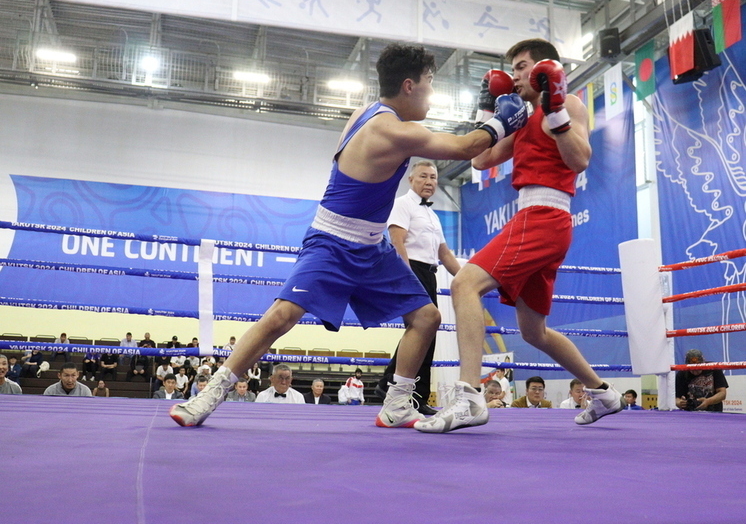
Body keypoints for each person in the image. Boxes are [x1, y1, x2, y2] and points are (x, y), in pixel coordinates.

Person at [170, 42, 501, 428]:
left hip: (372, 247)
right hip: (333, 240)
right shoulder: (391, 129)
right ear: (409, 86)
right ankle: (208, 394)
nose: (432, 92)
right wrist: (501, 115)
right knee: (282, 315)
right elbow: (467, 147)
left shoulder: (367, 113)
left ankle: (396, 404)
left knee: (426, 316)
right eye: (429, 82)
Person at [416, 38, 624, 433]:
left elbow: (580, 158)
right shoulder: (523, 117)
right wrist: (488, 109)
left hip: (544, 215)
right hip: (537, 216)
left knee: (464, 284)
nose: (514, 75)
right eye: (512, 68)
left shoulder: (567, 106)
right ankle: (603, 392)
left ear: (547, 68)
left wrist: (558, 110)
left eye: (523, 66)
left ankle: (470, 398)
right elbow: (480, 159)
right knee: (534, 331)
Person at [374, 160, 462, 415]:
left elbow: (444, 253)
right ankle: (402, 390)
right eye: (423, 176)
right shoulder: (403, 204)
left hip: (429, 272)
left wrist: (469, 279)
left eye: (433, 177)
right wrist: (406, 276)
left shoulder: (432, 215)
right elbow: (397, 241)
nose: (429, 181)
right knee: (421, 331)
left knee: (425, 333)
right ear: (411, 179)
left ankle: (402, 389)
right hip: (411, 269)